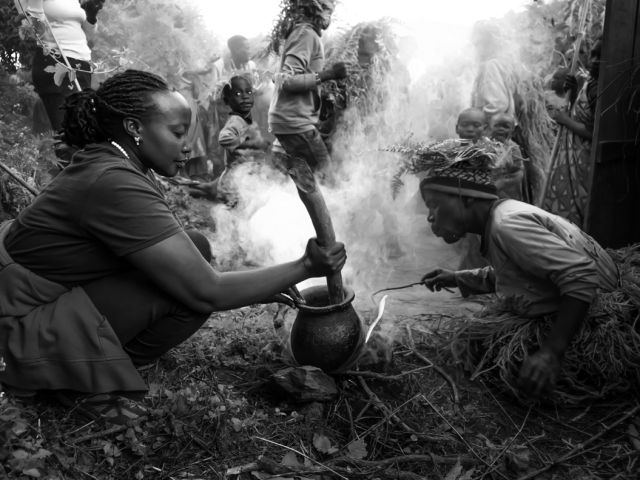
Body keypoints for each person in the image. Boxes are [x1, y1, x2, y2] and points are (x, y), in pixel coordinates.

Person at [0, 70, 346, 423]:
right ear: (135, 128)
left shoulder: (118, 163)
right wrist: (306, 265)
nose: (186, 146)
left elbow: (187, 265)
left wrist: (261, 284)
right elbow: (206, 292)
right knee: (185, 298)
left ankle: (101, 351)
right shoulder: (114, 181)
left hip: (39, 294)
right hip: (18, 324)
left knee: (195, 246)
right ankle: (80, 378)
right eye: (177, 133)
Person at [418, 151, 618, 397]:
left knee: (487, 361)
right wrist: (458, 278)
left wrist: (550, 353)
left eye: (434, 205)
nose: (429, 216)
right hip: (587, 301)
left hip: (594, 316)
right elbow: (518, 275)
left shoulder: (507, 225)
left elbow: (580, 275)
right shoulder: (498, 220)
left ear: (466, 197)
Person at [267, 0, 348, 179]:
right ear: (316, 9)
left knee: (306, 181)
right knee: (326, 180)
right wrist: (328, 74)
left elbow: (278, 76)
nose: (330, 17)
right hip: (295, 122)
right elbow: (286, 81)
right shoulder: (306, 35)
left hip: (289, 121)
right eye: (328, 11)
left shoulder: (302, 33)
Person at [16, 0, 104, 132]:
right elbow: (34, 32)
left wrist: (91, 15)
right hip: (56, 62)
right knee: (70, 134)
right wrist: (35, 13)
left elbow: (87, 36)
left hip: (81, 66)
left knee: (86, 131)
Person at [542, 39, 602, 227]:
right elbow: (584, 115)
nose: (594, 60)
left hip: (584, 161)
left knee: (577, 214)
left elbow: (596, 133)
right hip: (573, 155)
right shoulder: (591, 83)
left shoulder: (601, 88)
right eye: (592, 54)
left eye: (600, 56)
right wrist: (574, 92)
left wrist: (565, 120)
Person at [194, 75, 270, 204]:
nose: (245, 97)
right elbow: (225, 139)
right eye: (238, 94)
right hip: (236, 179)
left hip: (240, 175)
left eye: (248, 93)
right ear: (227, 101)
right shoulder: (234, 121)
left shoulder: (243, 118)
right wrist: (248, 145)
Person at [488, 112, 529, 202]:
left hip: (507, 189)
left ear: (513, 131)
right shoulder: (485, 145)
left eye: (505, 126)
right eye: (497, 126)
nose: (501, 129)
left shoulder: (514, 148)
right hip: (488, 187)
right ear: (490, 128)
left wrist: (504, 181)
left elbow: (518, 171)